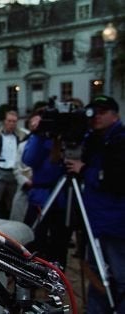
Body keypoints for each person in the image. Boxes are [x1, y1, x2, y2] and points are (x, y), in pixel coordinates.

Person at [64, 95, 125, 314]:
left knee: (119, 275)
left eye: (102, 112)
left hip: (115, 223)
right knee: (96, 273)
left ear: (115, 114)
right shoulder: (93, 139)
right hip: (94, 220)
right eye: (94, 112)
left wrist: (86, 171)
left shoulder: (119, 140)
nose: (96, 117)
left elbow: (117, 180)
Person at [21, 107, 71, 269]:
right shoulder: (39, 138)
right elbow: (28, 159)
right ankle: (31, 273)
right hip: (40, 197)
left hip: (62, 196)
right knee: (35, 238)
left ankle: (57, 272)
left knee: (59, 242)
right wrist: (38, 135)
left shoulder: (63, 137)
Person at [0, 110, 27, 218]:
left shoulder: (21, 136)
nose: (12, 124)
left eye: (14, 121)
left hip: (14, 173)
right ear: (4, 121)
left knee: (14, 203)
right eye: (9, 121)